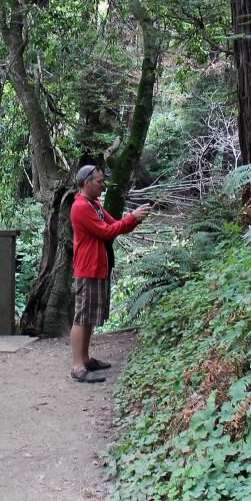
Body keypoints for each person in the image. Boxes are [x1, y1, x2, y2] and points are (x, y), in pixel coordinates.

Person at [69, 164, 151, 383]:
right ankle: (77, 367)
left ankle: (86, 359)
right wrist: (132, 217)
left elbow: (114, 225)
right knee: (81, 316)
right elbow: (106, 232)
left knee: (89, 317)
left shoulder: (93, 203)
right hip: (88, 268)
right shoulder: (80, 207)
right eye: (99, 181)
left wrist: (135, 218)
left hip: (99, 267)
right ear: (87, 183)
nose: (103, 186)